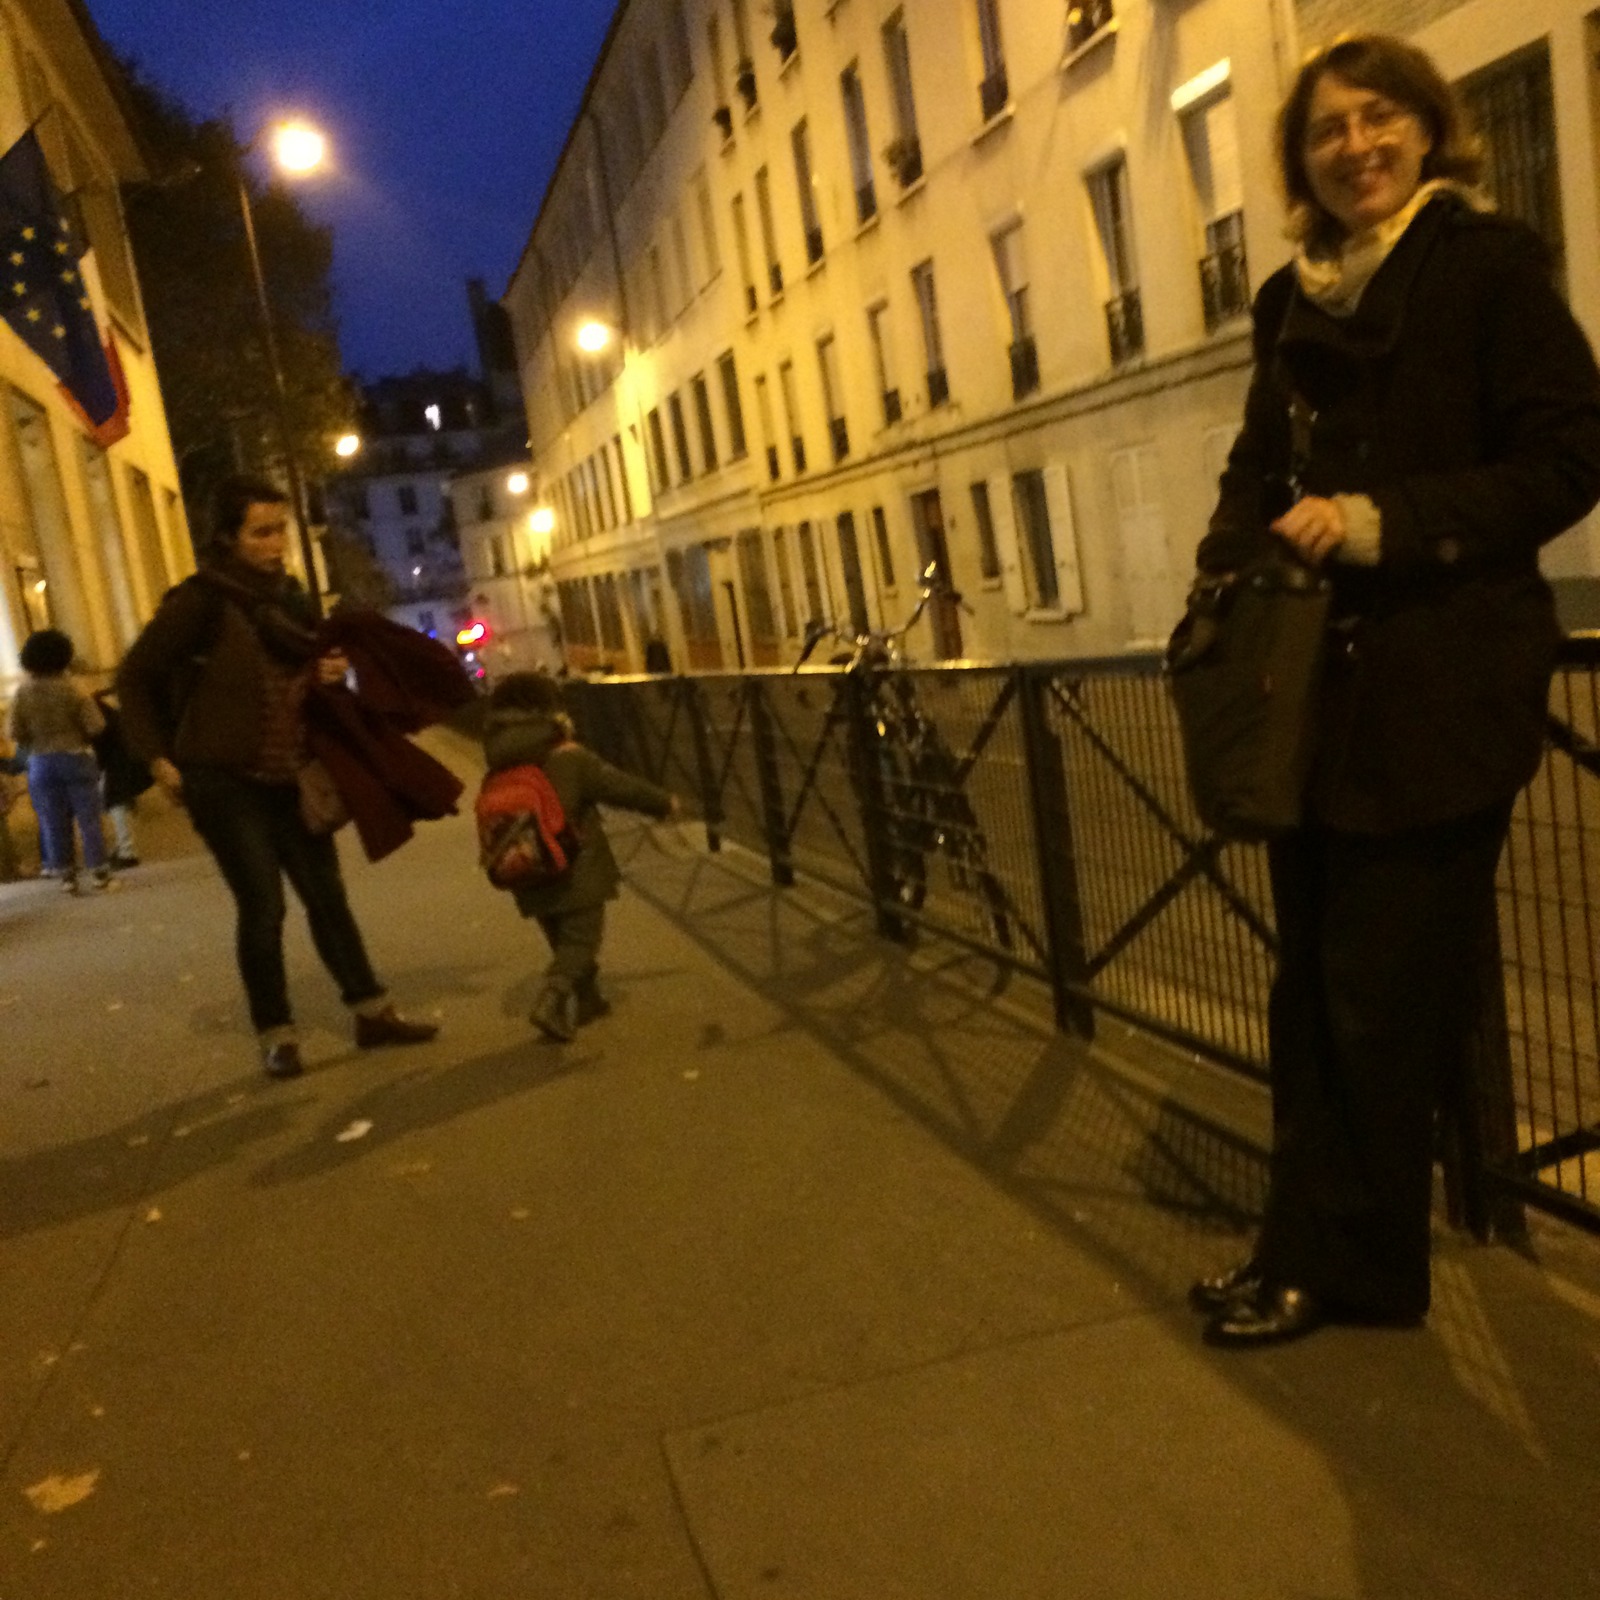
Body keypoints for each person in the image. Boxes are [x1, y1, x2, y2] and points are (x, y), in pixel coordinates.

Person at [1188, 34, 1600, 1347]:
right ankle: (1299, 1245)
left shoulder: (1487, 268)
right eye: (1327, 130)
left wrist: (1385, 522)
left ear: (1427, 128)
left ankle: (1341, 1267)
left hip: (1439, 694)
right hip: (1306, 696)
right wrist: (1225, 576)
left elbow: (1568, 457)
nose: (1354, 146)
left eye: (1377, 118)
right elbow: (1255, 466)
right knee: (1308, 986)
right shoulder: (1287, 298)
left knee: (1374, 1004)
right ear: (1301, 158)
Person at [116, 475, 440, 1081]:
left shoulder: (292, 599)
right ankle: (277, 1035)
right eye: (260, 532)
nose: (276, 543)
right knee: (263, 906)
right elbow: (134, 676)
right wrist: (156, 757)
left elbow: (305, 673)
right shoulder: (200, 602)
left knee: (327, 897)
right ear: (227, 538)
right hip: (224, 779)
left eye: (280, 529)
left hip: (291, 773)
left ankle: (371, 1012)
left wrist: (328, 673)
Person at [481, 671, 679, 1041]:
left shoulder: (500, 759)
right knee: (581, 941)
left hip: (525, 868)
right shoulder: (567, 754)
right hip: (577, 868)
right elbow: (618, 786)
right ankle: (553, 996)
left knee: (562, 939)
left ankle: (588, 1002)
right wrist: (663, 802)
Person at [7, 629, 117, 894]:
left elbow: (14, 731)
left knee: (53, 821)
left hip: (41, 762)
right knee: (89, 818)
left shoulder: (22, 693)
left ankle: (66, 875)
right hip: (76, 756)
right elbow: (96, 725)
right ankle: (99, 872)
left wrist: (34, 738)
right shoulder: (73, 689)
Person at [91, 688, 152, 869]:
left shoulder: (92, 709)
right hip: (124, 755)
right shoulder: (100, 707)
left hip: (117, 759)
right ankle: (123, 847)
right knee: (117, 802)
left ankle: (127, 851)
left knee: (115, 802)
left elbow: (100, 738)